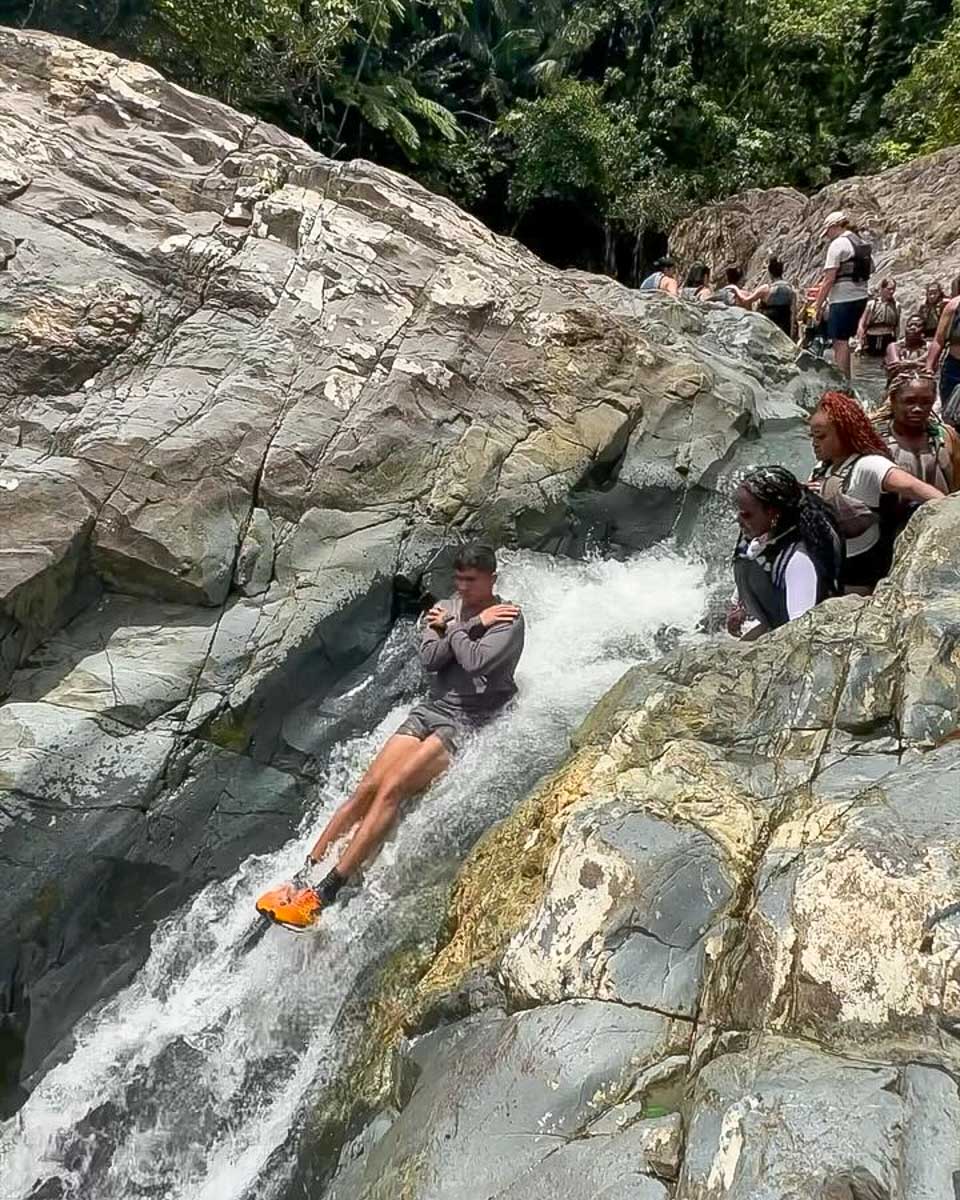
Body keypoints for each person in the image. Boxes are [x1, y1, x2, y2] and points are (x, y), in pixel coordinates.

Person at [260, 544, 525, 928]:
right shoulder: (451, 608)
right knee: (367, 787)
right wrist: (465, 626)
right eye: (458, 579)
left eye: (471, 580)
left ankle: (324, 895)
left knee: (393, 788)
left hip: (467, 718)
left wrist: (455, 627)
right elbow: (431, 659)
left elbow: (474, 661)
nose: (462, 587)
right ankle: (301, 878)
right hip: (432, 709)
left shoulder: (507, 619)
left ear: (492, 579)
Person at [808, 390, 944, 594]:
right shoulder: (821, 469)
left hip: (862, 572)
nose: (814, 443)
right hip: (829, 564)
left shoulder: (871, 466)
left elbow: (924, 492)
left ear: (844, 433)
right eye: (812, 436)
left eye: (821, 436)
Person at [728, 466, 843, 639]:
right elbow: (749, 559)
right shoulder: (756, 532)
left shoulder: (799, 561)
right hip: (771, 625)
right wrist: (740, 605)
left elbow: (799, 633)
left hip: (788, 637)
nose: (738, 519)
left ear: (773, 514)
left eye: (746, 514)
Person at [872, 369, 959, 513]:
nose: (918, 409)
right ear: (893, 400)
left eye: (926, 402)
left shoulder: (946, 437)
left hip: (941, 517)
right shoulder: (875, 440)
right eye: (909, 401)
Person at [813, 210, 872, 379]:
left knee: (840, 341)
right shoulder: (860, 242)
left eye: (828, 232)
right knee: (845, 339)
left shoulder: (838, 244)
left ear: (835, 226)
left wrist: (817, 306)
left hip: (842, 299)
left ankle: (843, 380)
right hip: (860, 297)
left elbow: (829, 279)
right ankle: (847, 378)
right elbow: (870, 269)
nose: (827, 236)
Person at [926, 291, 960, 419]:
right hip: (955, 369)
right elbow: (938, 340)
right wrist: (929, 367)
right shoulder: (954, 306)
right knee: (949, 413)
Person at [741, 256, 795, 336]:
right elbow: (793, 313)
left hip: (766, 330)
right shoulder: (790, 289)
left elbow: (746, 300)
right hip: (784, 330)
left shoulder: (766, 289)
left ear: (770, 273)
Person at [856, 278, 900, 357]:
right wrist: (859, 343)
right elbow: (862, 324)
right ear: (882, 289)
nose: (892, 291)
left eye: (893, 289)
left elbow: (897, 326)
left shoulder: (896, 305)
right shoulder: (871, 304)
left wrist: (897, 342)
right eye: (889, 289)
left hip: (888, 338)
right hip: (871, 338)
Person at [885, 313, 928, 379]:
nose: (912, 328)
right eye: (909, 325)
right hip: (899, 381)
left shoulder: (928, 347)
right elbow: (895, 367)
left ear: (923, 331)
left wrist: (910, 364)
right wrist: (918, 364)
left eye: (917, 326)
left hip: (922, 380)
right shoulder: (894, 346)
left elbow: (931, 367)